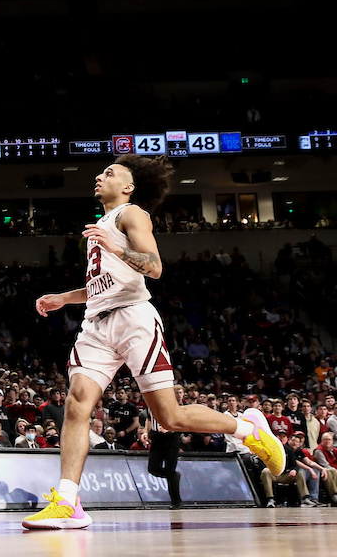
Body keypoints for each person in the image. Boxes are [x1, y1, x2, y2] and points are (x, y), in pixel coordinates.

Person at [24, 156, 286, 530]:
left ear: (128, 187)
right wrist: (65, 298)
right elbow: (105, 283)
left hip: (134, 319)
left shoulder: (133, 215)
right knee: (76, 405)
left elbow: (154, 266)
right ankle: (67, 502)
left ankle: (247, 430)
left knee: (169, 417)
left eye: (110, 173)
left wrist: (116, 248)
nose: (100, 176)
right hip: (97, 324)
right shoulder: (101, 224)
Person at [147, 385, 185, 508]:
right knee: (153, 468)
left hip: (171, 439)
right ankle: (174, 476)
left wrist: (170, 428)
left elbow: (182, 423)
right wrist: (145, 433)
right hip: (157, 438)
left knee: (170, 470)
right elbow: (149, 420)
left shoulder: (176, 406)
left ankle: (176, 502)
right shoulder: (151, 404)